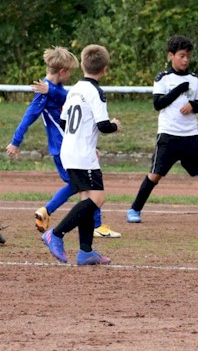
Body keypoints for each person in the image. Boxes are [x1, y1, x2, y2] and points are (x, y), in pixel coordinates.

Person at [6, 47, 121, 238]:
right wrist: (15, 141)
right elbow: (29, 115)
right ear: (62, 72)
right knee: (86, 185)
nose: (70, 76)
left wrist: (51, 89)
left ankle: (51, 213)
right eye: (69, 72)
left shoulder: (54, 89)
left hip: (70, 145)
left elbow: (69, 98)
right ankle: (92, 224)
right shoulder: (44, 92)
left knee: (81, 185)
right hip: (64, 147)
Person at [126, 36, 198, 223]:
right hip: (168, 135)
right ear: (171, 56)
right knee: (155, 175)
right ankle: (134, 210)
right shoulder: (163, 78)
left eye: (188, 56)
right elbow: (158, 103)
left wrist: (193, 106)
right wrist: (179, 89)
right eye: (181, 56)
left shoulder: (194, 79)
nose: (185, 60)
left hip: (191, 136)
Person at [41, 44, 120, 265]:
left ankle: (85, 251)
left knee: (86, 198)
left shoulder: (74, 89)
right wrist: (115, 125)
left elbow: (65, 121)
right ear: (104, 69)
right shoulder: (96, 92)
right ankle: (55, 234)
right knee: (98, 198)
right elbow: (103, 125)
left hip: (71, 150)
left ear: (83, 65)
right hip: (82, 154)